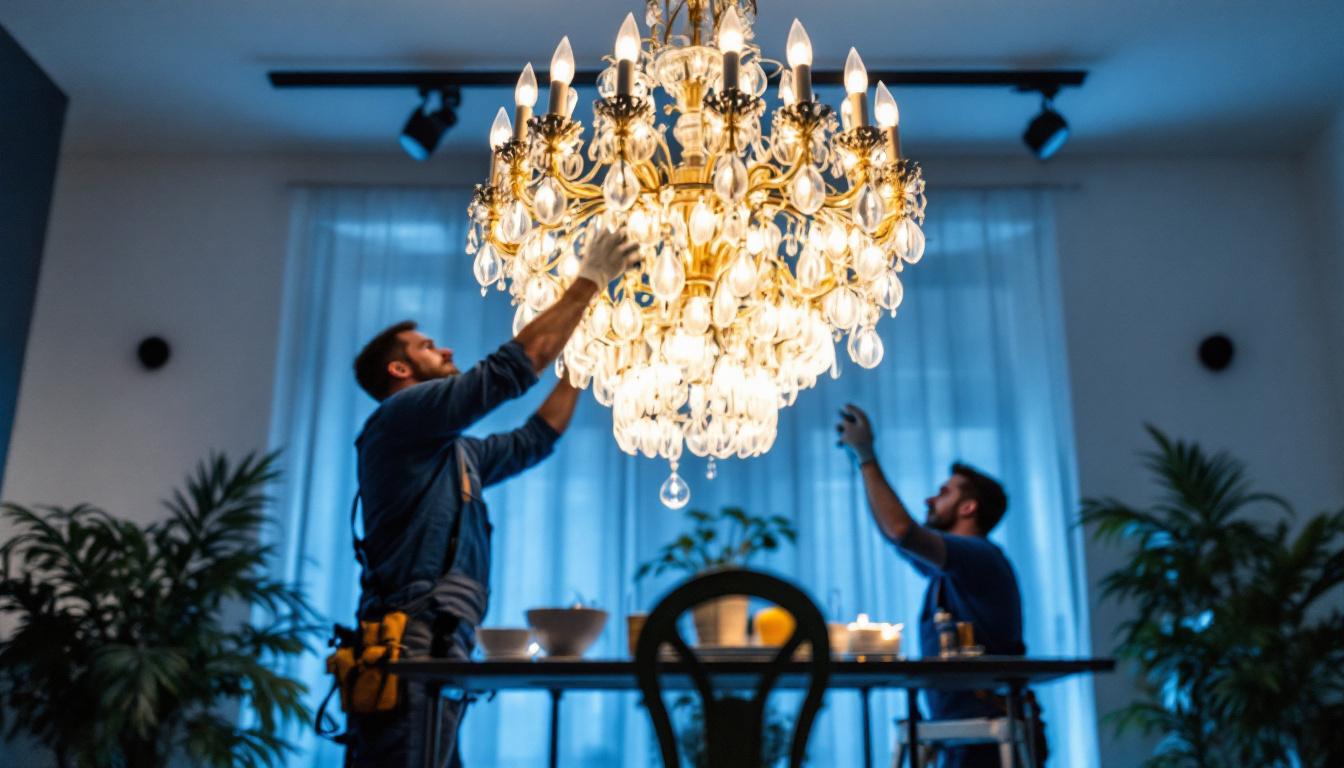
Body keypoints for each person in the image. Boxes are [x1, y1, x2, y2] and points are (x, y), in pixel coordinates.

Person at [345, 228, 639, 768]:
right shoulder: (398, 419)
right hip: (411, 647)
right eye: (428, 347)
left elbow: (534, 440)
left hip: (439, 645)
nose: (446, 348)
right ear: (400, 370)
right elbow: (507, 372)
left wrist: (583, 364)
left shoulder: (451, 456)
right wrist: (587, 283)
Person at [835, 404, 1030, 768]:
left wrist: (867, 457)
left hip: (987, 745)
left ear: (968, 508)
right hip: (962, 738)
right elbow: (897, 535)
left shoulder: (979, 557)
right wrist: (860, 464)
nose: (929, 500)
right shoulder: (951, 572)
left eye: (943, 493)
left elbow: (902, 531)